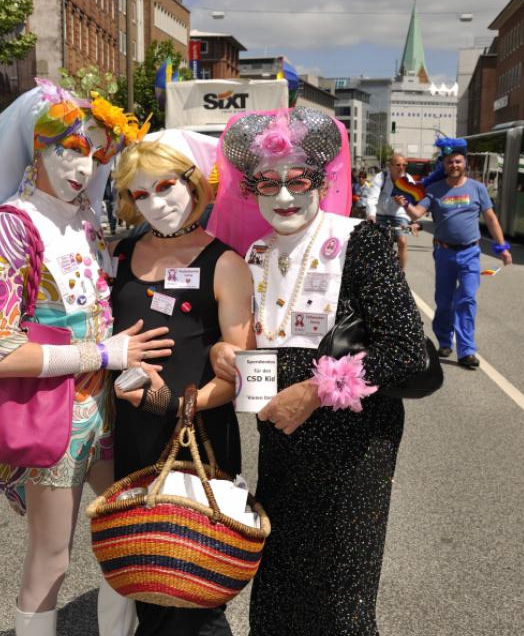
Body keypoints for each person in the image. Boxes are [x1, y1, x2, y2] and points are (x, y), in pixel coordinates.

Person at [0, 80, 173, 636]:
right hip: (52, 417)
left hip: (104, 411)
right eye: (68, 149)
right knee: (53, 559)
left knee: (127, 536)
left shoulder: (84, 222)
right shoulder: (9, 229)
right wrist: (104, 351)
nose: (82, 166)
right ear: (36, 149)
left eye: (93, 153)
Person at [209, 107, 427, 636]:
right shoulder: (256, 253)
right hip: (283, 439)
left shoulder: (363, 242)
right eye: (267, 183)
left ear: (321, 181)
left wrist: (311, 391)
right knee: (281, 580)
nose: (283, 197)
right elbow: (264, 346)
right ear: (251, 190)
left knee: (340, 592)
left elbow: (406, 352)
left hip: (354, 447)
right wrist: (229, 356)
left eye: (297, 181)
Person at [109, 129, 255, 636]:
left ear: (193, 184)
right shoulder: (122, 253)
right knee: (146, 571)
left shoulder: (226, 263)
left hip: (198, 439)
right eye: (141, 194)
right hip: (133, 438)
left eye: (165, 186)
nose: (155, 204)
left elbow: (241, 373)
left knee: (196, 589)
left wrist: (173, 403)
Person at [395, 145, 512, 368]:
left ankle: (467, 350)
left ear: (465, 163)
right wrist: (406, 205)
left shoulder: (477, 188)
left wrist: (502, 247)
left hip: (470, 252)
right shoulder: (435, 189)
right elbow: (418, 213)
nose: (454, 165)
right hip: (444, 252)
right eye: (450, 162)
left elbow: (491, 219)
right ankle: (445, 341)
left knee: (467, 299)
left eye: (458, 161)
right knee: (444, 301)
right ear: (444, 165)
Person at [365, 153, 416, 269]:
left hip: (400, 215)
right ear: (390, 166)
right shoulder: (380, 177)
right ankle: (378, 271)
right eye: (398, 165)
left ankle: (401, 275)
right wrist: (371, 216)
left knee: (402, 241)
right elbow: (372, 197)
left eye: (404, 165)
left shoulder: (408, 179)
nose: (401, 168)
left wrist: (412, 221)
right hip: (381, 214)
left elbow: (413, 202)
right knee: (379, 244)